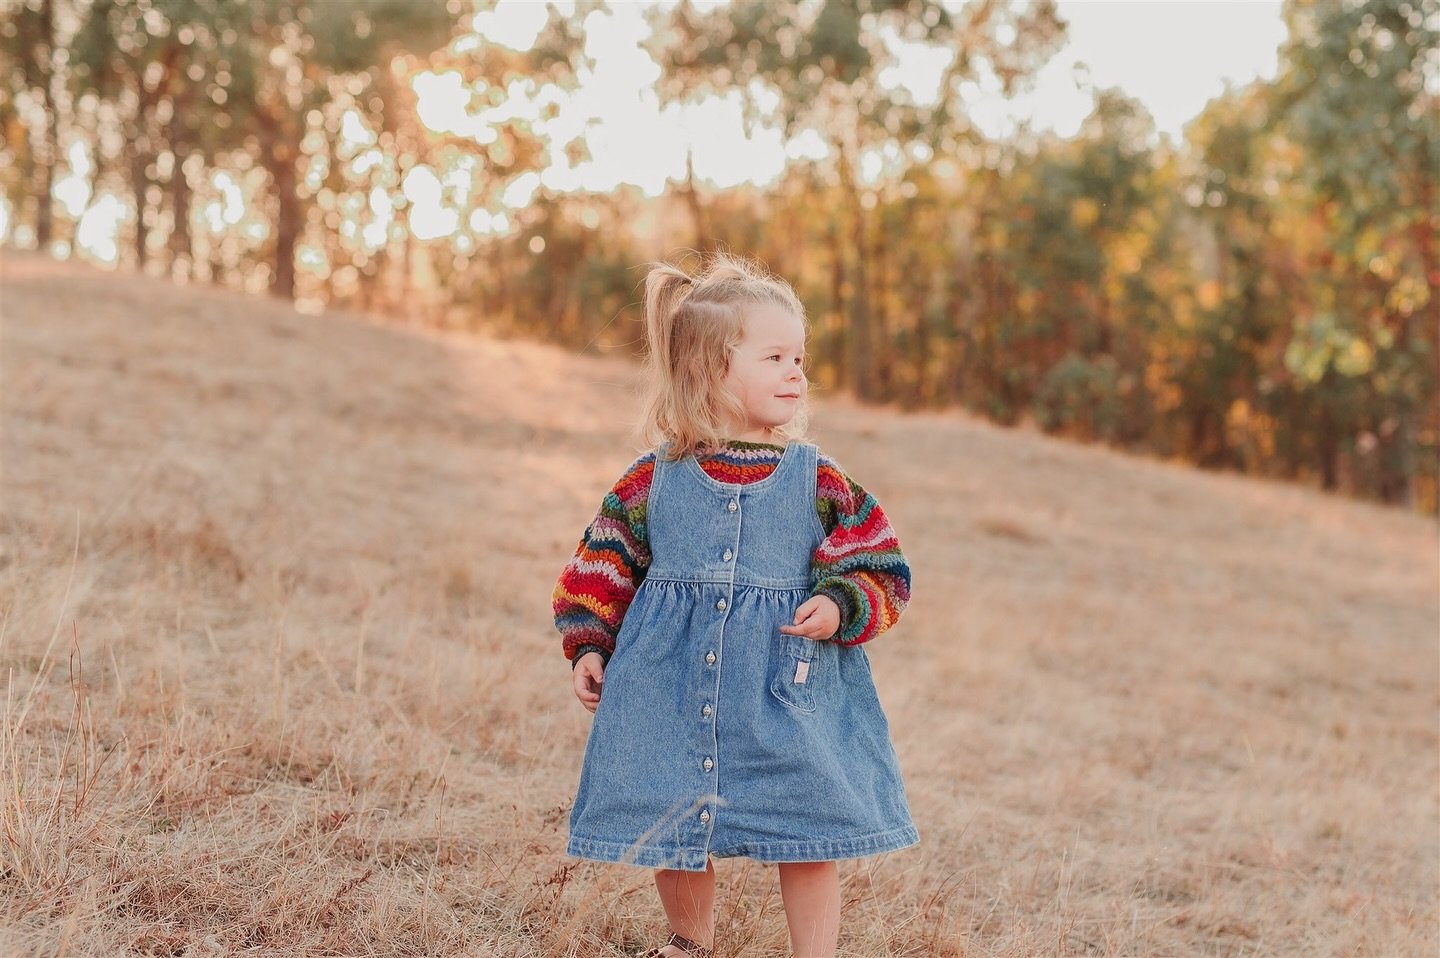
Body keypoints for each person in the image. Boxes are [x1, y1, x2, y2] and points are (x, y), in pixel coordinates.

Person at [552, 252, 917, 958]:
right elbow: (603, 560)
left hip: (785, 687)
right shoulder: (653, 477)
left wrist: (841, 605)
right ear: (710, 369)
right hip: (669, 684)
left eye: (799, 358)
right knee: (673, 808)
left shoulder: (819, 477)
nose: (796, 373)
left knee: (809, 821)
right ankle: (690, 942)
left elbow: (881, 562)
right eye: (775, 356)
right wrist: (590, 642)